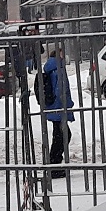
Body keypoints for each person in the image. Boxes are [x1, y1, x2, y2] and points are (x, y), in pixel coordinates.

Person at [38, 42, 73, 180]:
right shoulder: (58, 69)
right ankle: (54, 165)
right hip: (59, 107)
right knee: (62, 136)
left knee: (59, 135)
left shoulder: (52, 68)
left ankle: (54, 163)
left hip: (54, 107)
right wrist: (66, 105)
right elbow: (60, 90)